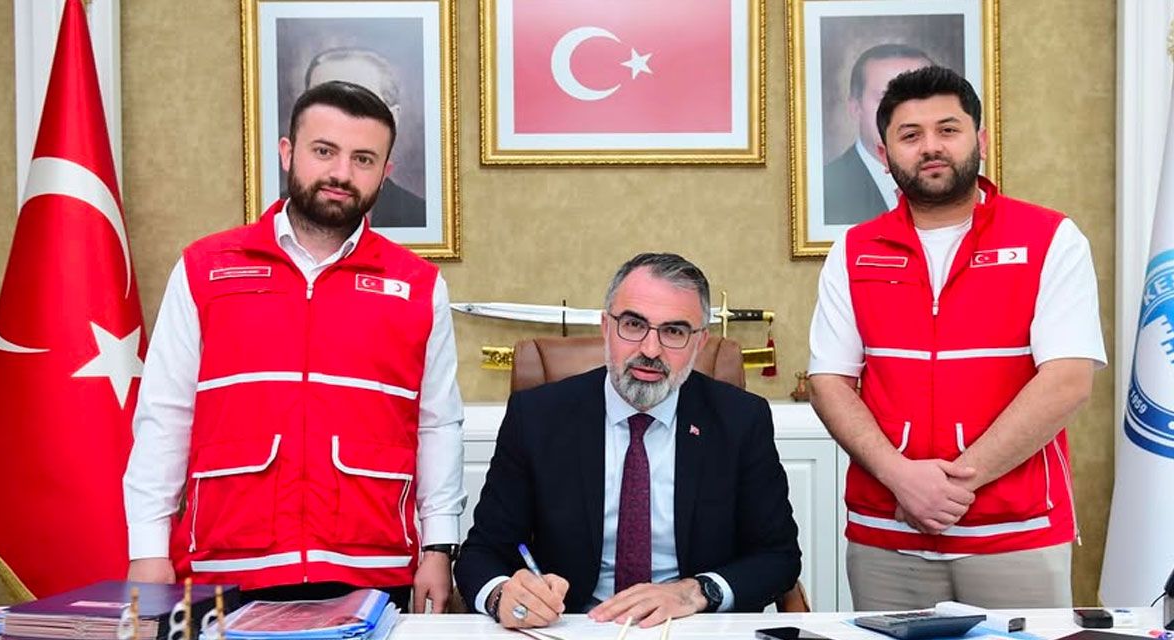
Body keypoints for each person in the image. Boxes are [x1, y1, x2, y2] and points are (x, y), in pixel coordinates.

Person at [122, 81, 464, 613]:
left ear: (385, 172)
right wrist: (147, 549)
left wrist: (438, 549)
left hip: (371, 571)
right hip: (224, 569)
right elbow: (164, 415)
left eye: (363, 159)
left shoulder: (417, 286)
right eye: (324, 151)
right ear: (288, 152)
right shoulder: (205, 269)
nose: (341, 174)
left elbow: (437, 424)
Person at [807, 66, 1106, 609]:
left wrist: (952, 486)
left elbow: (1067, 381)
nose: (931, 147)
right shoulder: (852, 251)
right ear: (884, 153)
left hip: (1016, 535)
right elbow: (829, 382)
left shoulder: (1051, 238)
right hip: (887, 537)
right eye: (910, 135)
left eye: (948, 129)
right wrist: (901, 478)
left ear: (981, 140)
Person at [455, 253, 801, 630]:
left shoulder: (740, 420)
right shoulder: (537, 417)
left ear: (699, 342)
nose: (650, 350)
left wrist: (697, 592)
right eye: (634, 325)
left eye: (674, 331)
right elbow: (482, 553)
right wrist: (502, 595)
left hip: (692, 626)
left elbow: (778, 556)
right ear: (606, 327)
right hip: (571, 626)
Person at [303, 47, 426, 228]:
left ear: (393, 119)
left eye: (361, 105)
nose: (341, 120)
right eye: (325, 104)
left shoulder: (419, 216)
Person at [823, 44, 933, 226]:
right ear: (855, 107)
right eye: (886, 99)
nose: (908, 113)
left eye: (921, 97)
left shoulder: (961, 182)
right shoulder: (823, 189)